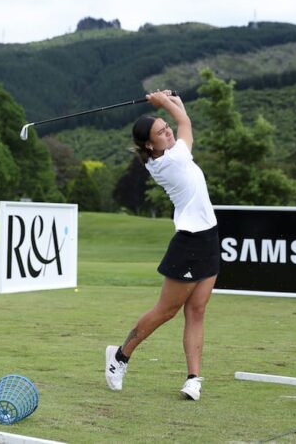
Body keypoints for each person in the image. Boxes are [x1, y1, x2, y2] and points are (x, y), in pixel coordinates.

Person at [105, 90, 219, 401]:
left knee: (197, 311)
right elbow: (184, 120)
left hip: (208, 236)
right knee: (166, 311)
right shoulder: (170, 162)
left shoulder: (174, 153)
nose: (167, 130)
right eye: (160, 131)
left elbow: (180, 117)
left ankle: (193, 378)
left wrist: (170, 98)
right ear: (148, 145)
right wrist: (163, 102)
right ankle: (120, 356)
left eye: (165, 127)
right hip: (189, 242)